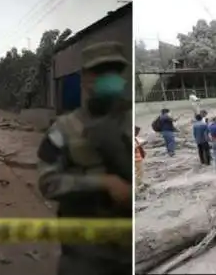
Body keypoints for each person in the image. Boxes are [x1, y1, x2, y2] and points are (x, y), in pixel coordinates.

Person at [37, 41, 133, 275]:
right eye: (99, 72)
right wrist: (103, 183)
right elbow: (48, 183)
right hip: (85, 253)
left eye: (113, 71)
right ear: (85, 78)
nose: (107, 78)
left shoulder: (133, 120)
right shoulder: (63, 129)